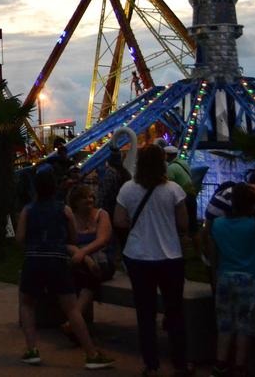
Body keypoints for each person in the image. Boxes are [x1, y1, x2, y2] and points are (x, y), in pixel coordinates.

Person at [17, 170, 115, 369]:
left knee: (27, 304)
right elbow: (73, 238)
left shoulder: (28, 210)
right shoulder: (64, 210)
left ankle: (32, 349)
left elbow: (19, 238)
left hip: (34, 260)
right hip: (57, 261)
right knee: (71, 308)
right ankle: (91, 354)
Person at [114, 143, 189, 377]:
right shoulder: (174, 189)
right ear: (162, 163)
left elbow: (119, 221)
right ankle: (180, 362)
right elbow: (183, 224)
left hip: (138, 256)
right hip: (170, 257)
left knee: (145, 314)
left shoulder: (127, 189)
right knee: (175, 312)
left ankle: (151, 364)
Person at [207, 183, 255, 377]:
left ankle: (220, 363)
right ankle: (240, 365)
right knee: (245, 325)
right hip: (249, 278)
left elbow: (213, 255)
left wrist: (215, 277)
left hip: (225, 277)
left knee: (224, 323)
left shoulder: (218, 225)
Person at [64, 184, 116, 337]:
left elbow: (102, 240)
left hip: (102, 261)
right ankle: (77, 324)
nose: (90, 199)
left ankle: (74, 321)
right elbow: (66, 243)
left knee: (89, 275)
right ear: (76, 201)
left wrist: (84, 253)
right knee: (81, 273)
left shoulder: (102, 215)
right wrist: (85, 258)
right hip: (83, 263)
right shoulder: (71, 217)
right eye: (85, 197)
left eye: (91, 196)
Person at [96, 147, 131, 221]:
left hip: (109, 210)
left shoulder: (110, 173)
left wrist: (98, 208)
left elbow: (104, 193)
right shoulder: (125, 173)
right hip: (121, 208)